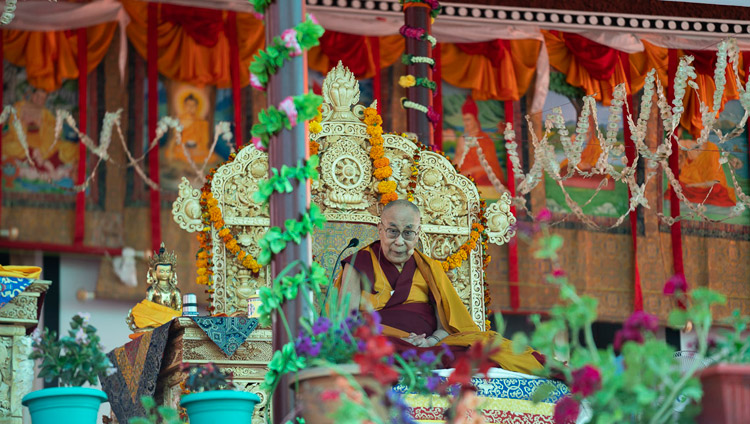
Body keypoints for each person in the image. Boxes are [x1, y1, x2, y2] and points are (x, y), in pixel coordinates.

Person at [338, 199, 544, 374]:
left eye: (408, 233)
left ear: (418, 233)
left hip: (428, 347)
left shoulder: (429, 269)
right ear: (380, 230)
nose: (399, 241)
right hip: (379, 344)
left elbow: (447, 327)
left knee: (485, 353)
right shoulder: (358, 264)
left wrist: (429, 342)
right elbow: (343, 323)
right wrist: (394, 337)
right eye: (392, 232)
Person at [453, 96, 506, 187]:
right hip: (464, 182)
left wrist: (470, 171)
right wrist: (460, 153)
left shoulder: (485, 140)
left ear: (475, 119)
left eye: (468, 119)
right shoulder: (462, 139)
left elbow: (491, 167)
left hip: (483, 179)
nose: (466, 123)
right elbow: (455, 166)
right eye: (464, 120)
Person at [675, 138, 737, 207]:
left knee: (718, 189)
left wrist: (694, 185)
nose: (679, 161)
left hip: (708, 185)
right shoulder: (686, 166)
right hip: (696, 187)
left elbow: (716, 181)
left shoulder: (711, 149)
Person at [165, 93, 218, 167]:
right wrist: (172, 148)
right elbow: (176, 138)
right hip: (183, 148)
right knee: (172, 153)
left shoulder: (202, 122)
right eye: (188, 105)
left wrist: (199, 147)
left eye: (193, 106)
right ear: (184, 106)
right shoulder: (180, 120)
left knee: (211, 157)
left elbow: (205, 140)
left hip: (198, 149)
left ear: (197, 107)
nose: (190, 108)